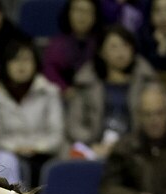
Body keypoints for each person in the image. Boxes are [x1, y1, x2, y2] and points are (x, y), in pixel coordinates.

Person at [66, 24, 156, 159]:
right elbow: (75, 124)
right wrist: (92, 145)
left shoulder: (147, 82)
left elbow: (156, 121)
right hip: (95, 148)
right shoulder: (86, 84)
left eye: (126, 45)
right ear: (102, 52)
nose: (121, 52)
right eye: (114, 47)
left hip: (138, 149)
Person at [0, 38, 64, 186]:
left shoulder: (50, 92)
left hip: (45, 156)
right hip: (7, 155)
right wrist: (16, 148)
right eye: (15, 60)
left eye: (26, 60)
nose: (21, 65)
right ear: (6, 64)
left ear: (36, 63)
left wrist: (36, 147)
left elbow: (57, 134)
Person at [42, 0, 101, 94]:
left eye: (88, 11)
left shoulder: (102, 43)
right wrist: (65, 89)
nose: (82, 16)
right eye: (78, 10)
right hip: (62, 95)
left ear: (95, 16)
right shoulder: (56, 44)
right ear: (68, 13)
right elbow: (49, 71)